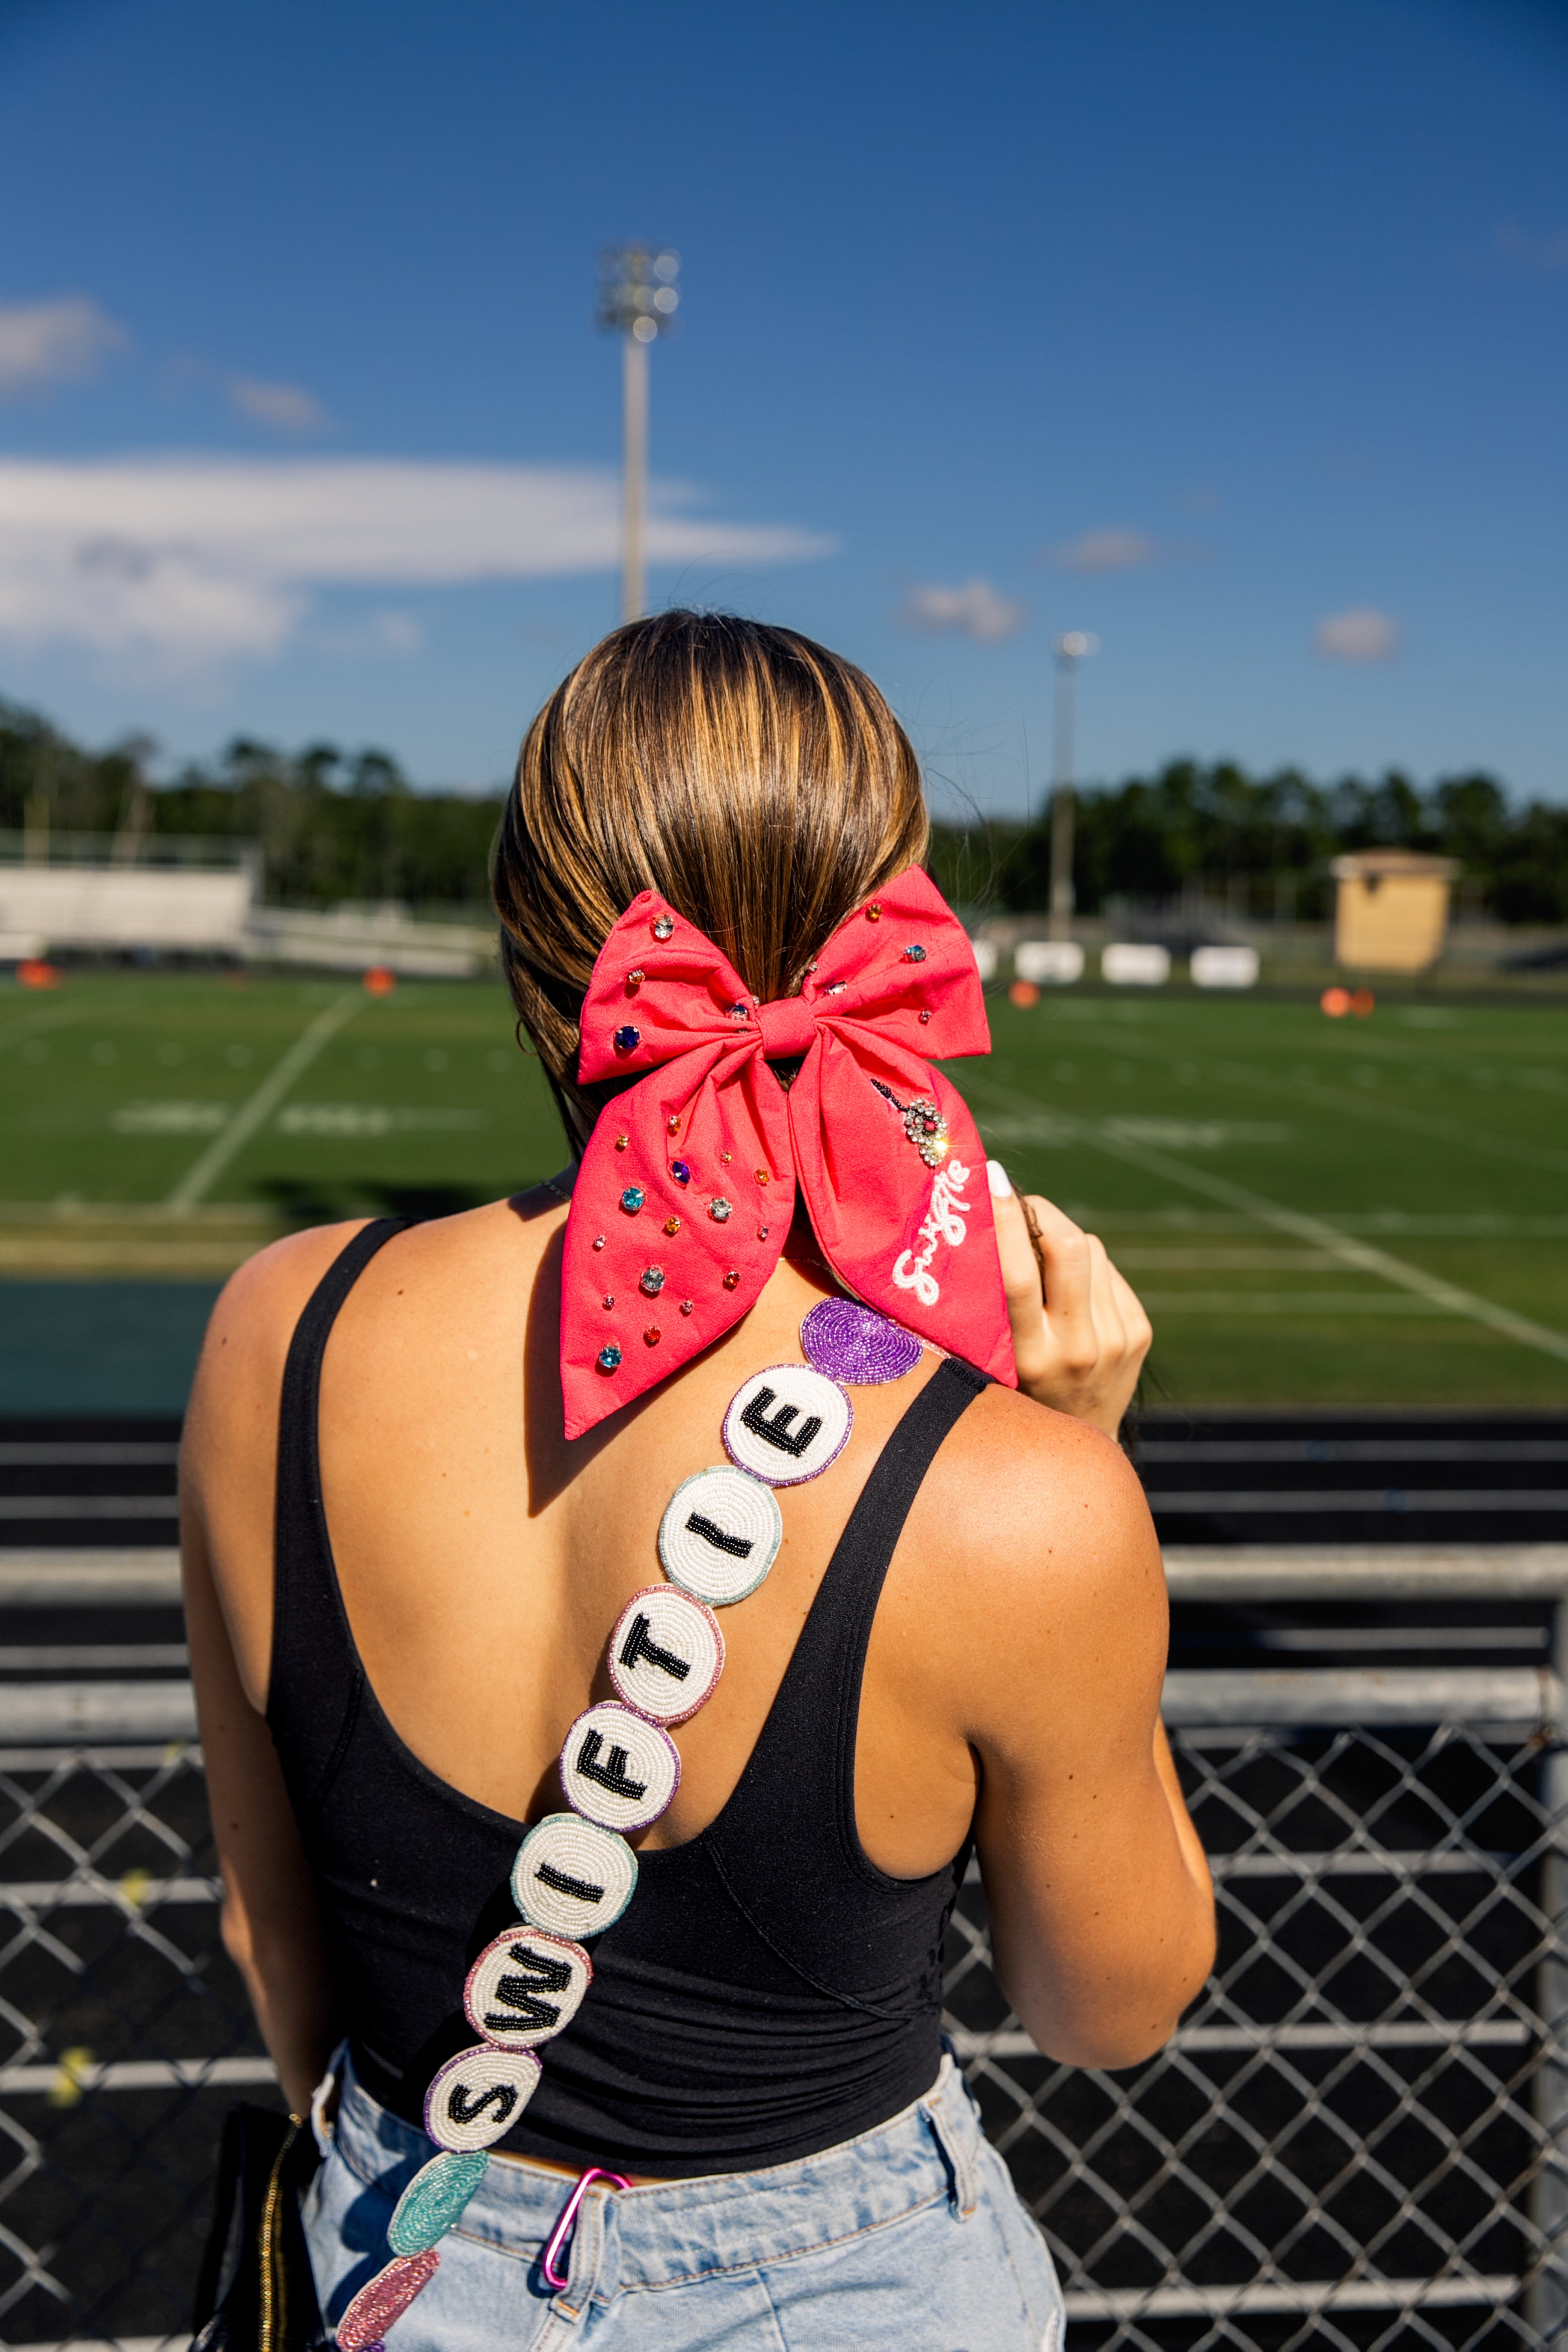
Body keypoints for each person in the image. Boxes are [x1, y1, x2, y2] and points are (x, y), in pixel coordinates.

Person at [181, 611, 1214, 2352]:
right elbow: (1108, 2006)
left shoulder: (279, 1331)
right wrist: (1079, 1456)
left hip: (390, 2243)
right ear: (889, 938)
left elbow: (266, 1924)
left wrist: (433, 2219)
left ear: (533, 943)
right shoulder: (1017, 1504)